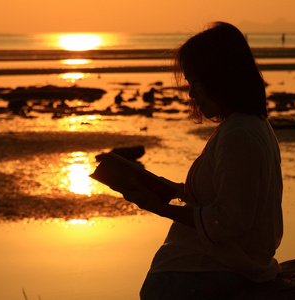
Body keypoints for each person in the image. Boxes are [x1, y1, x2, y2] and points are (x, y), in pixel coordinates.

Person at [113, 21, 283, 299]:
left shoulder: (239, 134)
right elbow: (226, 198)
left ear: (219, 76)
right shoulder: (246, 127)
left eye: (194, 82)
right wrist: (170, 189)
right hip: (205, 271)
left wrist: (159, 207)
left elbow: (229, 221)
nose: (191, 94)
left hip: (203, 273)